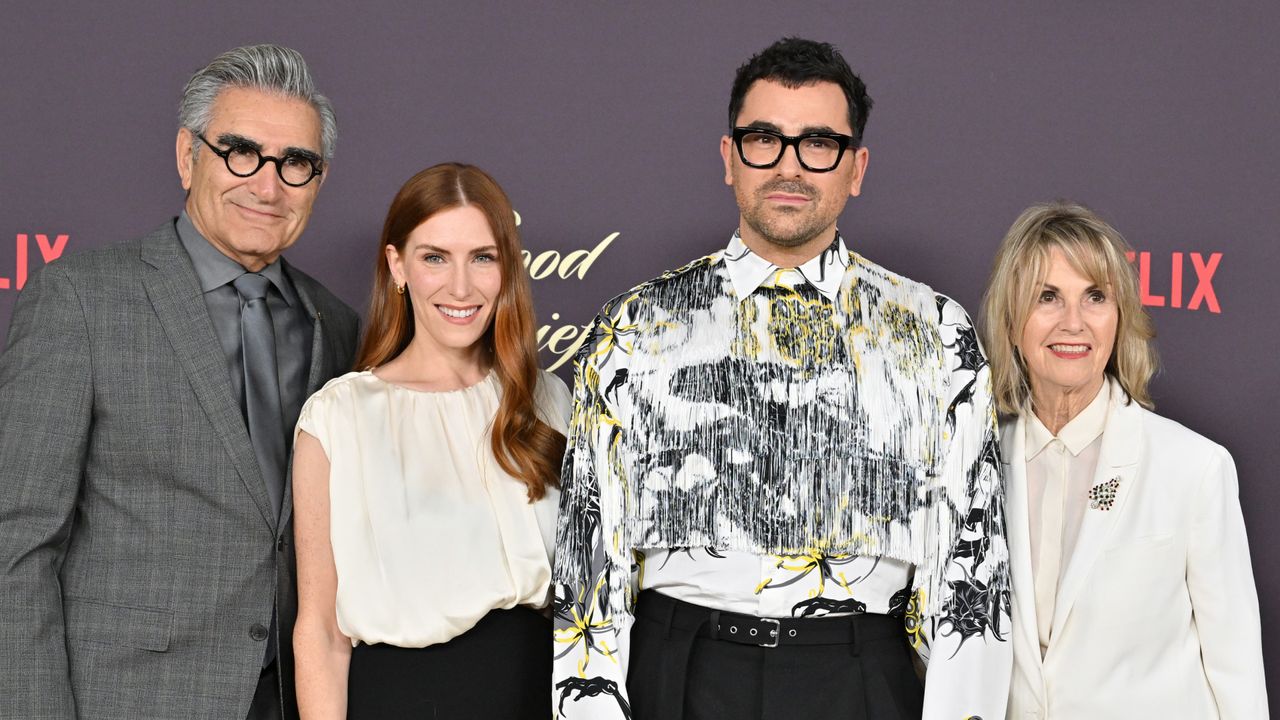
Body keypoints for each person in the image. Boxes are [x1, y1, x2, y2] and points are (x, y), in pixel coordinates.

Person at [552, 37, 1010, 720]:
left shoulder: (936, 333)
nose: (789, 166)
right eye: (765, 139)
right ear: (729, 158)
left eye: (818, 143)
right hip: (678, 671)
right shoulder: (636, 328)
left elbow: (970, 576)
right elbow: (590, 565)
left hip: (860, 679)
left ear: (856, 168)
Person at [0, 45, 359, 719]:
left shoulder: (337, 327)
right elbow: (14, 546)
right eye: (240, 152)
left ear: (318, 179)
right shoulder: (81, 300)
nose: (267, 185)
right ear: (186, 156)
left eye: (296, 163)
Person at [291, 163, 570, 719]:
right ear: (398, 266)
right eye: (434, 257)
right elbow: (320, 632)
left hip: (543, 697)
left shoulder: (550, 400)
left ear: (507, 268)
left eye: (482, 258)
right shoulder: (339, 417)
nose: (460, 287)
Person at [979, 201, 1268, 718]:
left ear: (1120, 317)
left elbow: (1236, 671)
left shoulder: (1194, 467)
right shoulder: (972, 465)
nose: (1074, 322)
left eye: (1095, 297)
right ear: (1011, 317)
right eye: (1048, 297)